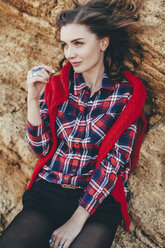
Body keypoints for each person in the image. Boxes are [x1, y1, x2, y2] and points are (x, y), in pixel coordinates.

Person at [0, 0, 147, 247]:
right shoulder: (58, 85)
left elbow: (115, 162)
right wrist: (33, 98)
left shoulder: (128, 94)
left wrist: (77, 220)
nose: (69, 54)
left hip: (97, 201)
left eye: (78, 43)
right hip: (50, 190)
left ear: (103, 42)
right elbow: (42, 150)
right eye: (65, 45)